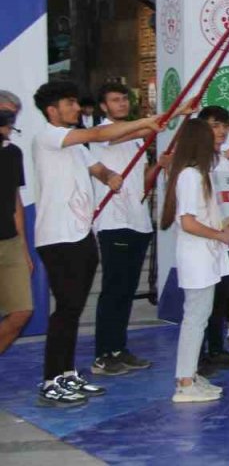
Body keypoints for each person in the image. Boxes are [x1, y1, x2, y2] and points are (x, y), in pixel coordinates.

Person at [30, 80, 167, 406]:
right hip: (58, 236)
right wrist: (147, 121)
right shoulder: (48, 136)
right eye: (70, 103)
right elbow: (99, 134)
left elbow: (99, 167)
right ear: (52, 110)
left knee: (74, 309)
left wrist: (109, 177)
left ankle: (67, 373)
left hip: (81, 233)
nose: (77, 108)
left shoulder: (76, 145)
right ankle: (51, 380)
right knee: (66, 310)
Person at [162, 119, 229, 404]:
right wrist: (219, 235)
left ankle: (189, 374)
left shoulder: (199, 174)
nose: (219, 137)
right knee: (194, 319)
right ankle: (184, 381)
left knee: (199, 318)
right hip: (197, 255)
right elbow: (188, 222)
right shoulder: (190, 176)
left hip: (207, 254)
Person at [87, 83, 156, 377]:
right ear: (103, 106)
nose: (122, 104)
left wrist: (159, 166)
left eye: (125, 99)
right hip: (113, 222)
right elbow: (115, 137)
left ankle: (118, 348)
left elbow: (142, 181)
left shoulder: (136, 140)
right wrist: (153, 122)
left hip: (138, 221)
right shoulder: (98, 135)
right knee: (114, 289)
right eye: (115, 100)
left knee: (127, 290)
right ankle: (103, 355)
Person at [194, 106, 229, 373]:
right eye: (215, 125)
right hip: (203, 241)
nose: (221, 131)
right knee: (202, 303)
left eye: (224, 126)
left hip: (225, 241)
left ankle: (216, 349)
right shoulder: (194, 163)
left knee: (221, 297)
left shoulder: (223, 161)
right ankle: (198, 355)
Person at [0, 93, 34, 355]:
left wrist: (23, 249)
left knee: (22, 312)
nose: (8, 120)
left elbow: (15, 201)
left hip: (9, 242)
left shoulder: (13, 153)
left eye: (12, 115)